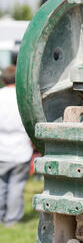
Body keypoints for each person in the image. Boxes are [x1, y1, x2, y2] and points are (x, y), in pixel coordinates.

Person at [0, 65, 33, 227]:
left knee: (1, 185)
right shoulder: (22, 97)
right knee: (16, 186)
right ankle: (12, 220)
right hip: (20, 147)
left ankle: (1, 216)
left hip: (2, 147)